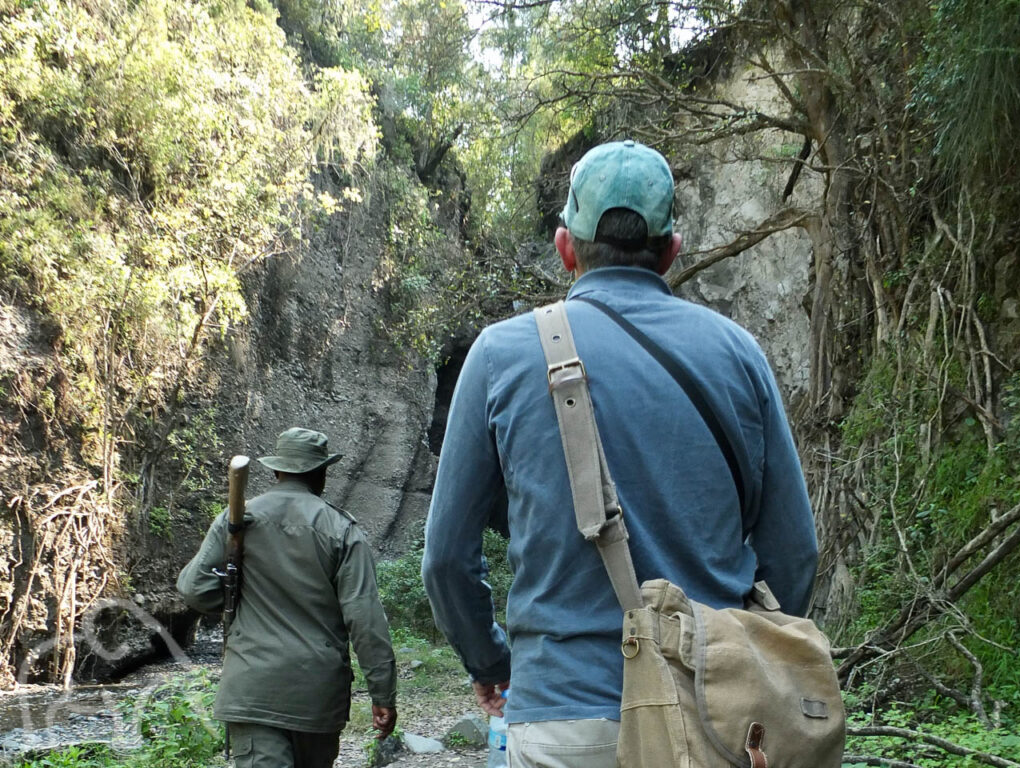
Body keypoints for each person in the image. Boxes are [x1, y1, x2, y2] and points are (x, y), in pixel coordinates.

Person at [421, 140, 818, 768]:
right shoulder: (740, 355)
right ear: (672, 250)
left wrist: (491, 659)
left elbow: (445, 559)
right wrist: (746, 663)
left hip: (564, 715)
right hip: (711, 720)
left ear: (565, 248)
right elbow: (794, 553)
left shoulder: (500, 355)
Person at [178, 427, 398, 768]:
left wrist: (236, 599)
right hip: (316, 696)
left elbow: (193, 588)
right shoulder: (342, 530)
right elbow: (365, 619)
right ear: (322, 473)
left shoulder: (238, 518)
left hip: (252, 688)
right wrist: (383, 695)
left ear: (277, 470)